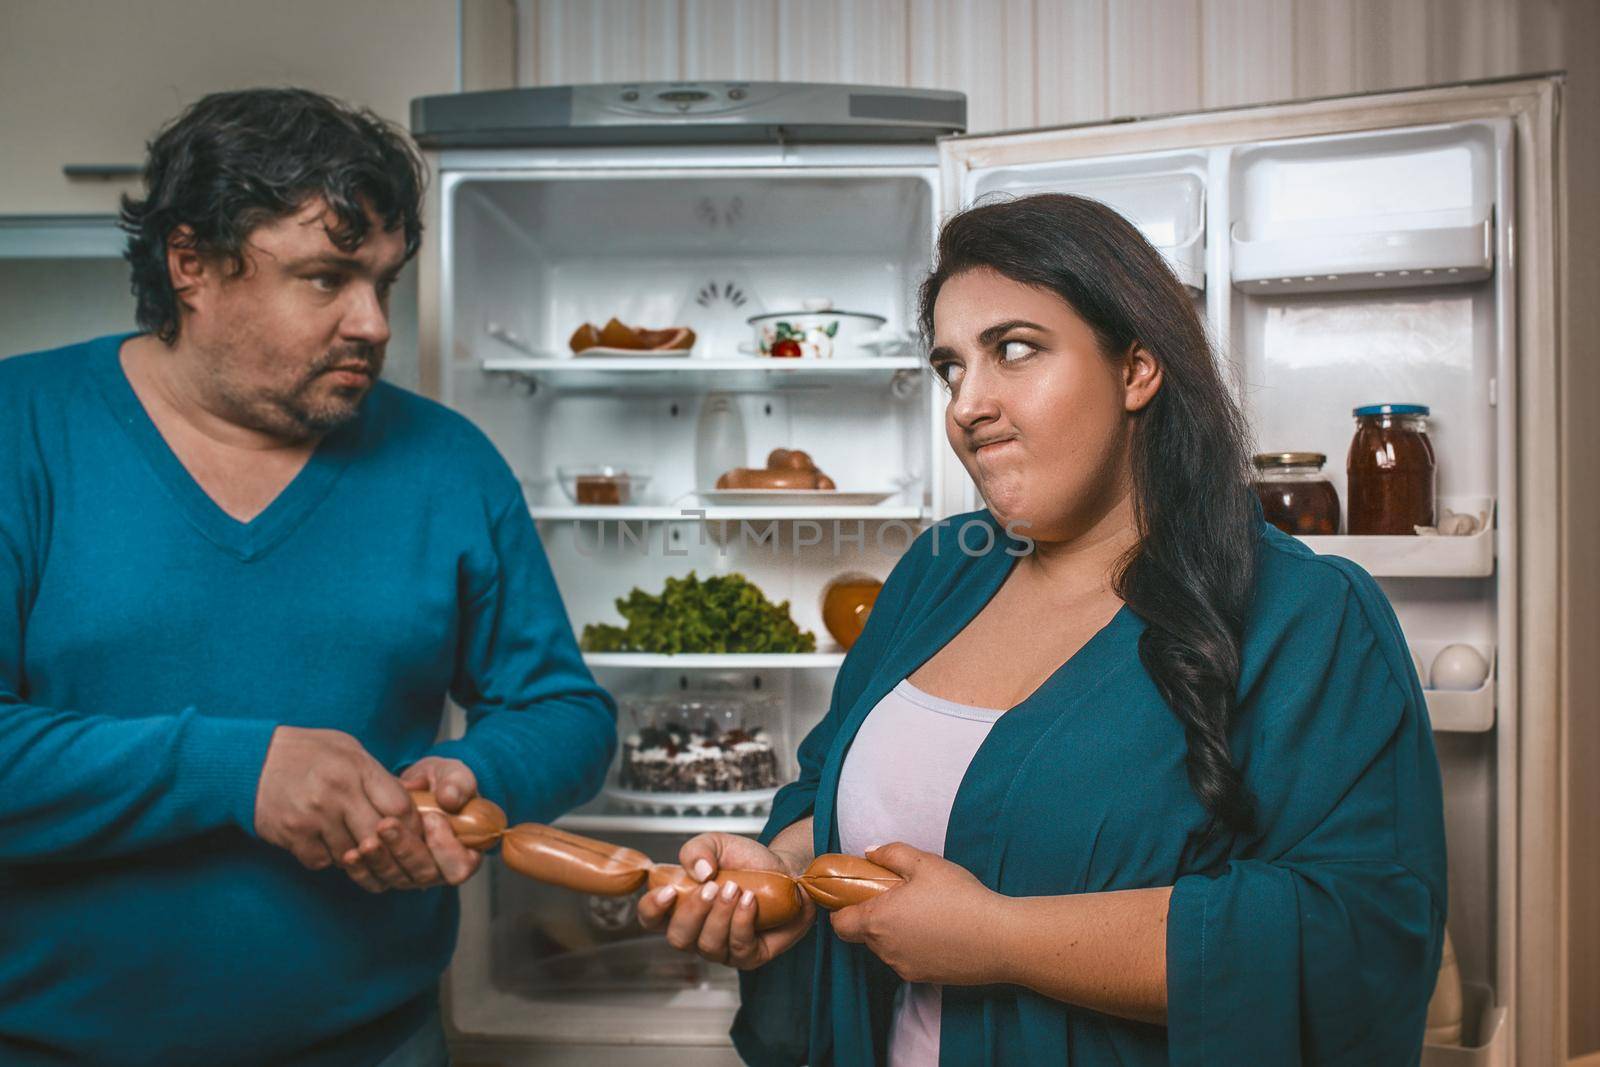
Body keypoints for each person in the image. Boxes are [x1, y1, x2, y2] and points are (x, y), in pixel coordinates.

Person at [638, 194, 1447, 1065]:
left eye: (1013, 351)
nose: (967, 406)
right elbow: (826, 796)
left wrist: (1003, 938)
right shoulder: (939, 571)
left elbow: (1357, 932)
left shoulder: (1306, 613)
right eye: (952, 368)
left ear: (1137, 369)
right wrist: (783, 873)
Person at [0, 89, 616, 1066]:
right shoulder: (20, 429)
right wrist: (237, 770)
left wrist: (474, 771)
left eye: (383, 281)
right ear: (191, 263)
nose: (371, 321)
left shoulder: (446, 463)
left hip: (377, 1041)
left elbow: (563, 709)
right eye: (326, 278)